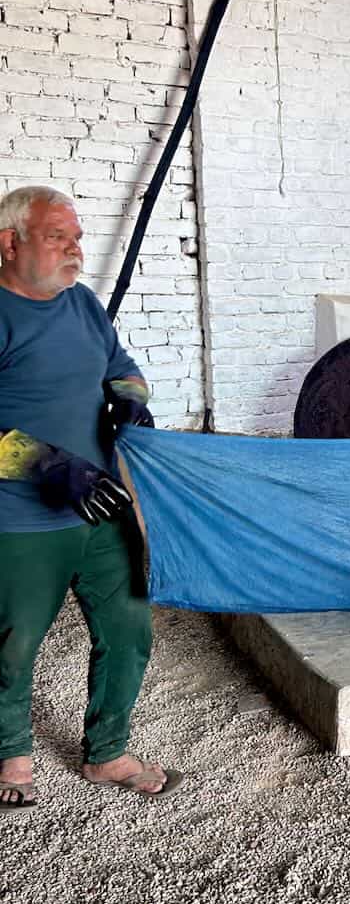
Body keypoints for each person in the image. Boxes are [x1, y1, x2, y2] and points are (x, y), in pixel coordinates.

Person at [0, 185, 181, 809]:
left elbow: (123, 366)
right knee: (14, 641)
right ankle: (13, 757)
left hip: (102, 505)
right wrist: (46, 466)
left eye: (76, 238)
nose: (74, 250)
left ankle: (107, 752)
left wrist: (131, 398)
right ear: (10, 242)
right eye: (58, 237)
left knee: (129, 627)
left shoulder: (83, 304)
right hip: (21, 517)